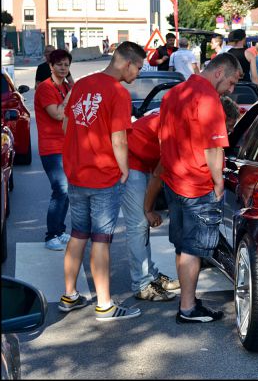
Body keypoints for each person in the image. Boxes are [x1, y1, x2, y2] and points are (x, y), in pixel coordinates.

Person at [59, 41, 147, 321]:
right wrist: (123, 169)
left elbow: (65, 123)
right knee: (101, 238)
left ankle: (70, 295)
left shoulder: (82, 84)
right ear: (127, 63)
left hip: (77, 172)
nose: (138, 74)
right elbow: (119, 139)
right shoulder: (118, 92)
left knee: (78, 234)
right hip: (102, 175)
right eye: (139, 68)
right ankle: (105, 304)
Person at [159, 52, 242, 324]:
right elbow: (213, 147)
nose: (231, 89)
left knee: (183, 247)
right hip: (196, 184)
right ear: (219, 73)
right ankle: (188, 308)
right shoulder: (208, 98)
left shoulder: (175, 93)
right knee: (194, 249)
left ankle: (188, 300)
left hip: (173, 180)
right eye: (231, 82)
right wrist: (219, 183)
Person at [121, 111, 180, 302]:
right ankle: (142, 285)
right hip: (130, 160)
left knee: (143, 226)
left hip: (143, 161)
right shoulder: (175, 127)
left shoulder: (179, 120)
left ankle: (150, 275)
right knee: (138, 224)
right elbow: (158, 174)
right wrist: (148, 209)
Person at [34, 49, 74, 251]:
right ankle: (51, 236)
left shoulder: (66, 86)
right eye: (59, 65)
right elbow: (58, 114)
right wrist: (70, 96)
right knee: (60, 189)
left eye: (66, 65)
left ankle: (59, 231)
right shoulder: (45, 88)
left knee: (66, 193)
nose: (63, 68)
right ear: (50, 66)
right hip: (51, 147)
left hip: (66, 146)